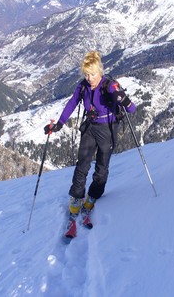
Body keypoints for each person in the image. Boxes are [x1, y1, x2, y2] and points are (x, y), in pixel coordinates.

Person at [44, 51, 136, 236]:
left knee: (102, 168)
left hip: (107, 130)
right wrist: (59, 124)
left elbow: (131, 108)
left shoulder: (109, 86)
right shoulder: (83, 86)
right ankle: (77, 199)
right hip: (90, 128)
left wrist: (123, 99)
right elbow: (71, 103)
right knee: (82, 165)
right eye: (86, 74)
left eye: (92, 74)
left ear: (99, 71)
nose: (89, 78)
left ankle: (93, 196)